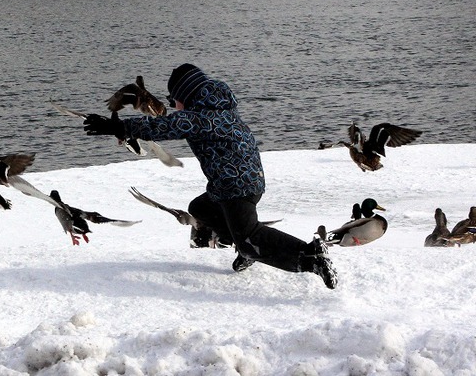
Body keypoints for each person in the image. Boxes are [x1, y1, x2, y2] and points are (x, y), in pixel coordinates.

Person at [83, 63, 338, 289]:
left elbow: (167, 126)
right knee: (200, 208)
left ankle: (310, 257)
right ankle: (246, 248)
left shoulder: (203, 117)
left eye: (174, 100)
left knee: (250, 239)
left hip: (236, 186)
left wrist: (120, 126)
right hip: (240, 183)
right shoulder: (219, 111)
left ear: (186, 95)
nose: (173, 107)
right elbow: (174, 123)